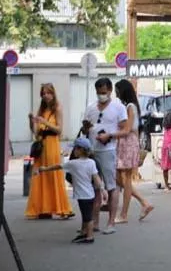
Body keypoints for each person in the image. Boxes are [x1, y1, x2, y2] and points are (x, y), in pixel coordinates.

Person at [82, 76, 128, 234]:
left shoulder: (118, 107)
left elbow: (125, 130)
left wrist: (110, 135)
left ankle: (111, 222)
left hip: (108, 150)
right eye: (98, 92)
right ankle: (94, 222)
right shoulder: (90, 107)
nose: (101, 95)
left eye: (104, 92)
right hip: (91, 150)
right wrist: (86, 128)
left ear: (109, 91)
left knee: (111, 186)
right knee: (94, 187)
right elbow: (85, 128)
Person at [38, 136, 105, 244]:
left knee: (88, 217)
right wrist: (102, 189)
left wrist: (45, 169)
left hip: (82, 195)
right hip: (90, 194)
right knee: (86, 215)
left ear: (80, 150)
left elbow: (58, 166)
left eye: (75, 149)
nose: (73, 151)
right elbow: (96, 177)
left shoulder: (73, 163)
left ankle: (89, 236)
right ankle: (84, 232)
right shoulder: (91, 162)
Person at [25, 82, 73, 220]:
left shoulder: (57, 108)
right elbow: (35, 133)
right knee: (40, 176)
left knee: (52, 174)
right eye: (43, 93)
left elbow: (59, 130)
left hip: (52, 144)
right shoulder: (41, 110)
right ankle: (43, 208)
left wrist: (45, 122)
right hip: (41, 145)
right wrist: (31, 121)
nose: (46, 96)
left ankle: (61, 207)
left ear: (53, 93)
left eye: (48, 93)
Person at [114, 79, 154, 223]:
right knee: (120, 179)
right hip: (127, 143)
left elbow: (128, 128)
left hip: (127, 143)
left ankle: (124, 214)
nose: (116, 93)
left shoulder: (130, 106)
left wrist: (111, 133)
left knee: (125, 180)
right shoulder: (131, 106)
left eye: (117, 90)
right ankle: (144, 202)